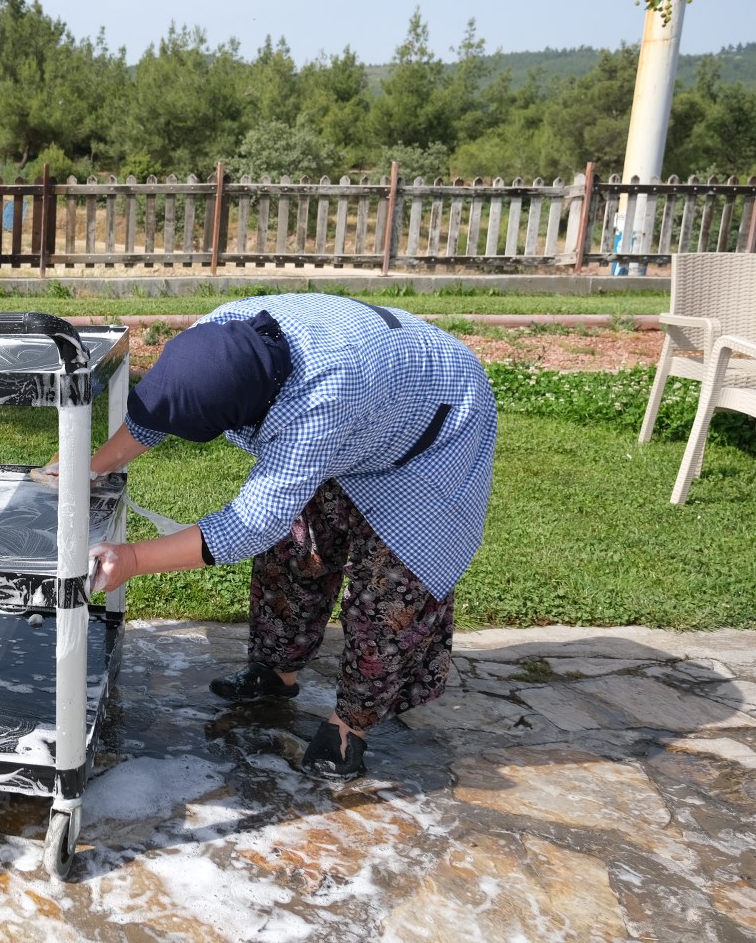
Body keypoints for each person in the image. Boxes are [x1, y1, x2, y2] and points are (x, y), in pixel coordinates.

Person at [78, 293, 496, 781]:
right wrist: (85, 469)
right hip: (371, 398)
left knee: (391, 587)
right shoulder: (217, 334)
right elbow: (161, 411)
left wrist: (130, 559)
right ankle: (277, 674)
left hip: (437, 423)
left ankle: (350, 727)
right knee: (301, 547)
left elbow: (253, 523)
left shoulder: (320, 403)